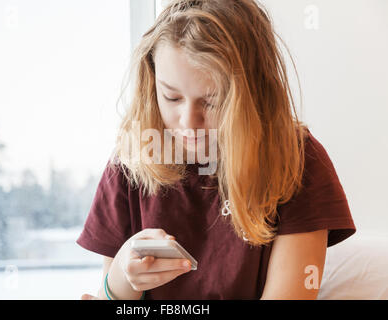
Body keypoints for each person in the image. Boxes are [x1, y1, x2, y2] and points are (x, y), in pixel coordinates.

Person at [77, 0, 356, 300]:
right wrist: (121, 275)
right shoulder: (132, 160)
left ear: (254, 92)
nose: (188, 123)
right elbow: (111, 297)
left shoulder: (296, 161)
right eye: (171, 97)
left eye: (212, 101)